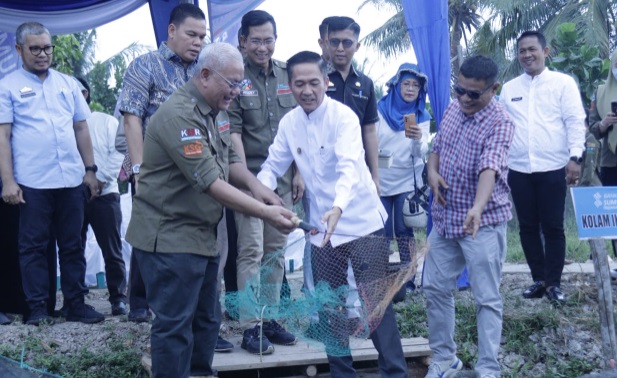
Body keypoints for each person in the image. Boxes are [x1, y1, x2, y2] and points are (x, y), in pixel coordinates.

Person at [125, 42, 296, 378]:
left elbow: (230, 160)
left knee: (207, 320)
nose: (237, 91)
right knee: (175, 325)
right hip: (169, 238)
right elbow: (212, 183)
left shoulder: (215, 110)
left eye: (241, 83)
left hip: (201, 236)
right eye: (232, 83)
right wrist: (266, 214)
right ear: (204, 75)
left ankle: (200, 373)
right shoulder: (179, 116)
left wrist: (263, 190)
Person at [257, 50, 407, 378]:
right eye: (299, 84)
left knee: (376, 304)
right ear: (290, 85)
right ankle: (342, 374)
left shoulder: (343, 118)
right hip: (320, 230)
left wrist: (338, 207)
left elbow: (350, 167)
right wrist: (261, 196)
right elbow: (272, 166)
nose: (307, 90)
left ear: (325, 81)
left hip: (362, 222)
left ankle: (394, 372)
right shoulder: (289, 123)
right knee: (329, 306)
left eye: (314, 82)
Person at [0, 21, 104, 325]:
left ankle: (76, 305)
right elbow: (2, 136)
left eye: (47, 48)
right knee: (32, 247)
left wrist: (90, 171)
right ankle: (37, 310)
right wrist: (8, 181)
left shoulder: (68, 83)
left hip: (71, 179)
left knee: (73, 245)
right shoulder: (6, 86)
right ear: (19, 50)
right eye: (35, 48)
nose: (43, 54)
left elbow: (81, 128)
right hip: (31, 182)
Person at [423, 55, 514, 378]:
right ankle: (444, 359)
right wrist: (432, 172)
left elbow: (490, 166)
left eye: (474, 94)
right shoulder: (451, 107)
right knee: (434, 288)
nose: (464, 98)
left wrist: (477, 207)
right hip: (445, 218)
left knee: (486, 297)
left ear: (494, 89)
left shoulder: (501, 121)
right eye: (459, 89)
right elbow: (438, 144)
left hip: (482, 223)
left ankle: (489, 368)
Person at [118, 3, 209, 324]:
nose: (198, 42)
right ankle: (140, 302)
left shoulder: (205, 69)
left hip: (195, 167)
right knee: (148, 234)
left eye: (202, 36)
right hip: (153, 169)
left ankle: (188, 302)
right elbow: (132, 119)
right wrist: (139, 170)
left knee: (188, 236)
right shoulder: (146, 66)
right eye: (191, 34)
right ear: (171, 31)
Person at [227, 10, 301, 354]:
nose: (262, 46)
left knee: (275, 252)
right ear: (243, 41)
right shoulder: (235, 76)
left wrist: (299, 171)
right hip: (249, 180)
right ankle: (250, 326)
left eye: (268, 39)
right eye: (255, 40)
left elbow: (300, 126)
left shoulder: (288, 74)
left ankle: (269, 319)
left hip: (284, 181)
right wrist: (246, 180)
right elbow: (234, 134)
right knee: (251, 251)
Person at [501, 31, 586, 304]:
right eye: (521, 51)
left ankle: (554, 284)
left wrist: (575, 157)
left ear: (545, 51)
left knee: (553, 227)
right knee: (526, 226)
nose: (527, 55)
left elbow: (575, 121)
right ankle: (538, 279)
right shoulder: (509, 88)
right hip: (519, 169)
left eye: (532, 49)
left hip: (553, 167)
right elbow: (502, 127)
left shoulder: (563, 83)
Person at [76, 77, 127, 316]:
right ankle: (75, 299)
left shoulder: (105, 121)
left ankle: (118, 297)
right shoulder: (63, 125)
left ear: (84, 94)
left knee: (112, 249)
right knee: (72, 248)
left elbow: (118, 153)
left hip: (105, 194)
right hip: (73, 195)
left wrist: (99, 179)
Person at [377, 63, 430, 291]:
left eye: (415, 86)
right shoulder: (378, 109)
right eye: (406, 84)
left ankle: (408, 280)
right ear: (396, 85)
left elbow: (421, 153)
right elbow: (369, 140)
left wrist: (419, 138)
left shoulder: (421, 115)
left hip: (408, 180)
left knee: (403, 230)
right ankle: (383, 279)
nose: (410, 89)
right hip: (380, 178)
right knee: (382, 231)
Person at [325, 16, 379, 192]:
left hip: (357, 168)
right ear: (327, 44)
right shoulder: (315, 79)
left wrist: (375, 177)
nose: (340, 48)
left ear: (357, 46)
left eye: (347, 43)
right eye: (334, 42)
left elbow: (369, 131)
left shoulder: (366, 83)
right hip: (322, 169)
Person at [589, 51, 617, 277]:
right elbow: (591, 131)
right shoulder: (599, 93)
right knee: (615, 213)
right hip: (611, 162)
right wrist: (604, 124)